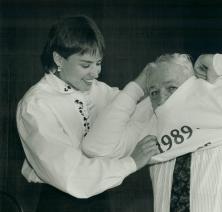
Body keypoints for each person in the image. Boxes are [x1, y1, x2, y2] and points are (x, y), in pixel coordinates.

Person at [83, 52, 222, 212]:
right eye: (154, 92)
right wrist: (137, 87)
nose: (162, 99)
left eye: (172, 88)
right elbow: (96, 147)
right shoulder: (150, 124)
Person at [16, 15, 158, 212]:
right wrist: (131, 162)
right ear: (59, 59)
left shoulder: (99, 90)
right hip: (60, 204)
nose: (95, 72)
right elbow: (71, 174)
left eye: (98, 63)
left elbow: (133, 107)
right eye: (85, 65)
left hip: (102, 201)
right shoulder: (36, 105)